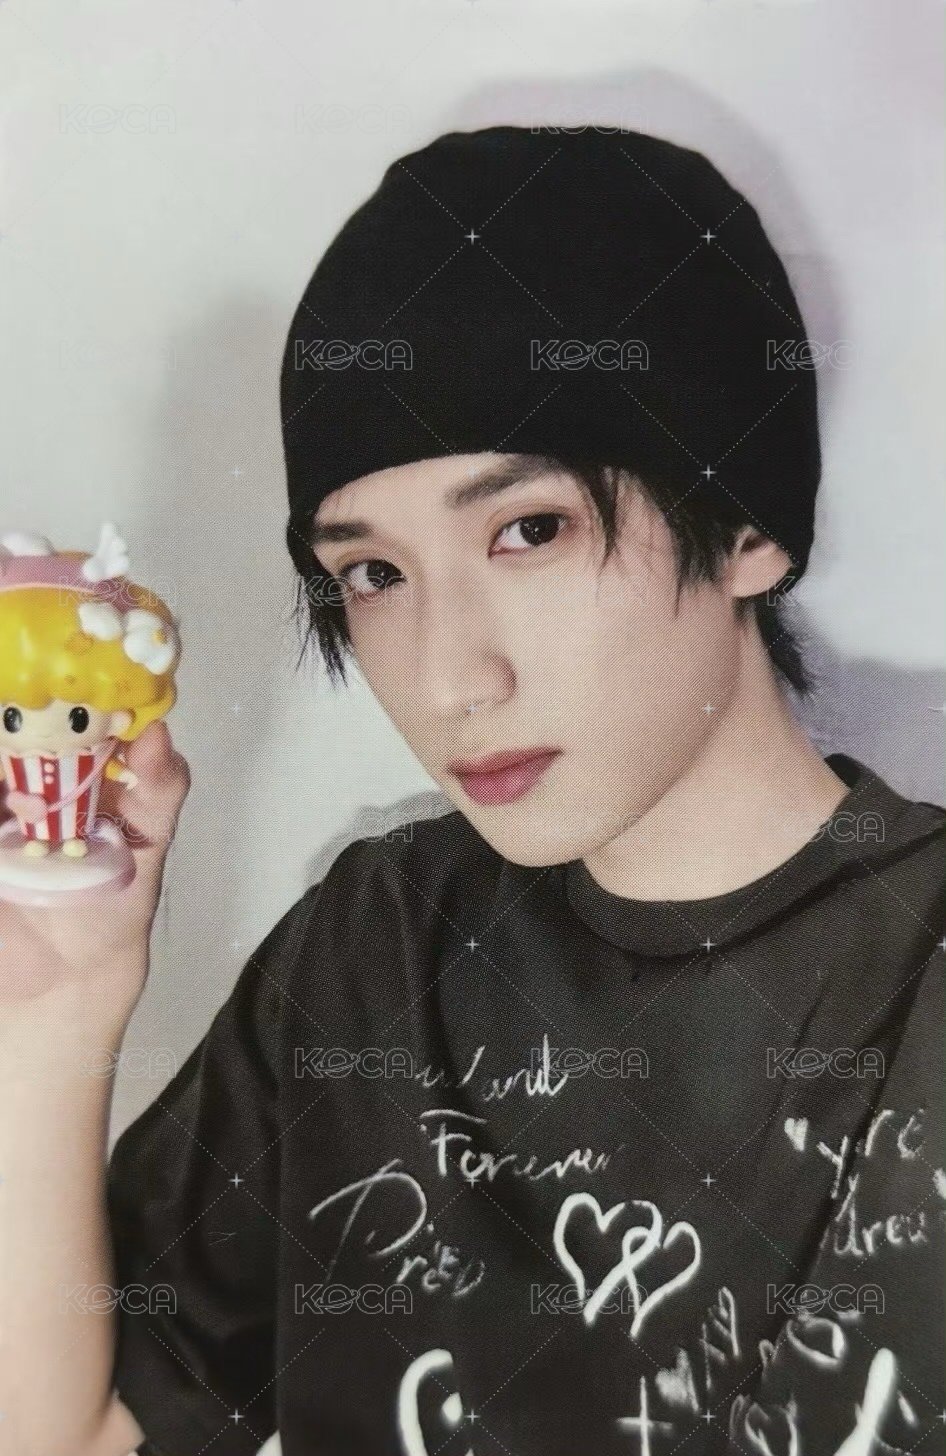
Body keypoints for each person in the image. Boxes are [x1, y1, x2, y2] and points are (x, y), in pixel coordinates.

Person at [0, 126, 942, 1456]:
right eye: (373, 574)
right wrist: (56, 1006)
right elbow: (74, 1435)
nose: (448, 678)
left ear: (745, 526)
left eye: (528, 530)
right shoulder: (375, 946)